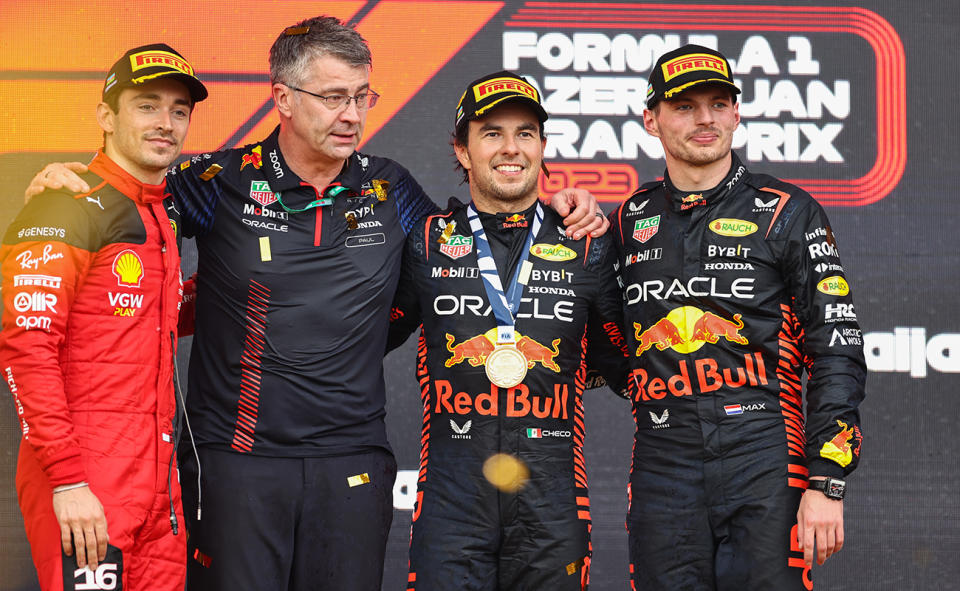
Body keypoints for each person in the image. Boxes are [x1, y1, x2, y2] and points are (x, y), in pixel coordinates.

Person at [26, 16, 607, 591]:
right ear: (281, 97)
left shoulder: (391, 187)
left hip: (352, 465)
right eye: (332, 97)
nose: (351, 115)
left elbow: (468, 250)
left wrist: (562, 208)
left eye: (361, 96)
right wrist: (73, 189)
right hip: (237, 463)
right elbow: (133, 216)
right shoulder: (218, 181)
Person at [608, 44, 866, 590]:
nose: (706, 119)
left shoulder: (788, 210)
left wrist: (827, 480)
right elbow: (607, 340)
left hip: (765, 454)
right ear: (650, 119)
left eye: (719, 103)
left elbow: (837, 348)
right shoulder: (630, 218)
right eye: (685, 106)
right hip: (662, 459)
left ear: (737, 113)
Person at [387, 71, 629, 591]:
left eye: (525, 133)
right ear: (463, 150)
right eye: (492, 133)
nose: (510, 148)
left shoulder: (587, 242)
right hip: (452, 495)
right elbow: (369, 337)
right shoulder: (426, 242)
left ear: (543, 146)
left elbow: (624, 367)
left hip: (553, 493)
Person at [0, 44, 207, 591]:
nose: (166, 123)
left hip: (158, 488)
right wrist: (68, 481)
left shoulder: (158, 211)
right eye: (146, 105)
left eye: (179, 110)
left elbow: (146, 317)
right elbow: (26, 348)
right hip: (86, 482)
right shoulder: (61, 204)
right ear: (106, 117)